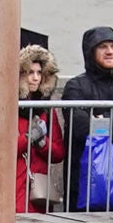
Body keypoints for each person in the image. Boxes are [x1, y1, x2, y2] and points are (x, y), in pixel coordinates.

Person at [15, 43, 70, 214]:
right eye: (30, 72)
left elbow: (59, 153)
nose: (35, 78)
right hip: (14, 183)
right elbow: (3, 150)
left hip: (37, 186)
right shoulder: (9, 107)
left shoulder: (47, 109)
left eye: (39, 73)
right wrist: (28, 138)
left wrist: (42, 143)